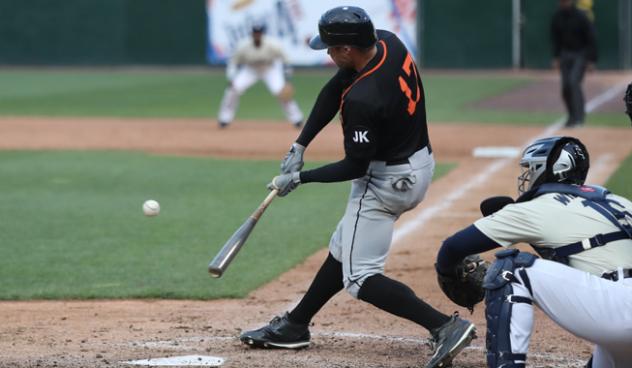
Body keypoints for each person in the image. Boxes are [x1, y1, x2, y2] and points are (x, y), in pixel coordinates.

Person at [238, 6, 475, 368]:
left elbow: (355, 166)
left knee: (360, 278)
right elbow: (335, 88)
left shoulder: (366, 98)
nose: (328, 55)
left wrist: (300, 178)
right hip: (418, 162)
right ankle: (295, 325)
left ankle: (444, 326)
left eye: (331, 49)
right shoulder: (389, 43)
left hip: (385, 182)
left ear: (347, 50)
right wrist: (300, 145)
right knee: (343, 245)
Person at [435, 136, 632, 367]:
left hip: (620, 311)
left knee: (511, 270)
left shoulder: (539, 206)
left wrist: (447, 272)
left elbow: (454, 247)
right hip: (618, 313)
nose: (527, 176)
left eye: (531, 169)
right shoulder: (619, 202)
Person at [217, 24, 303, 129]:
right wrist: (231, 77)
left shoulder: (272, 44)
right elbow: (233, 62)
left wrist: (287, 78)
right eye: (255, 33)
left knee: (281, 91)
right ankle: (224, 118)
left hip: (270, 69)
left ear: (262, 34)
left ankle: (297, 119)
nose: (257, 35)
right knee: (233, 89)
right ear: (252, 34)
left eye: (259, 33)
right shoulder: (243, 45)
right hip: (250, 69)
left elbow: (286, 59)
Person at [551, 0, 598, 128]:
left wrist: (592, 60)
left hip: (580, 54)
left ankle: (579, 117)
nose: (563, 3)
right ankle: (571, 116)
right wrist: (556, 57)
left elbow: (591, 37)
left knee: (573, 82)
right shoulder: (558, 16)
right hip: (565, 54)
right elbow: (556, 38)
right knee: (565, 86)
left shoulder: (581, 16)